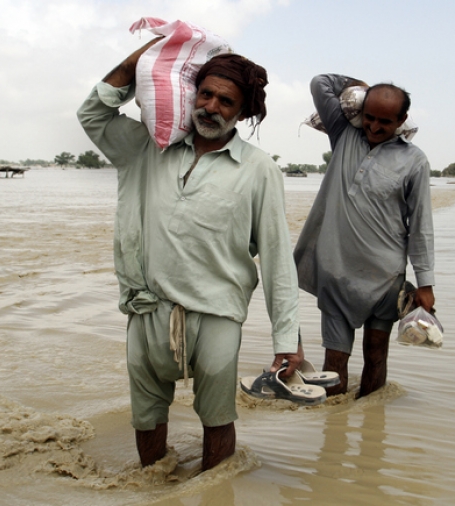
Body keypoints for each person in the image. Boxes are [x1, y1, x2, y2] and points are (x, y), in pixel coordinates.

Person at [77, 38, 302, 472]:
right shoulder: (148, 147)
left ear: (243, 111)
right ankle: (154, 486)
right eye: (205, 94)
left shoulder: (259, 169)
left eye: (225, 101)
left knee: (217, 418)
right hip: (147, 307)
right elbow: (92, 113)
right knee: (145, 417)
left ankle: (214, 487)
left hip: (216, 312)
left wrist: (285, 341)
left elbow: (276, 259)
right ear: (192, 94)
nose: (211, 107)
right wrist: (135, 62)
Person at [293, 74, 435, 398]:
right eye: (368, 116)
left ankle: (372, 428)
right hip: (336, 273)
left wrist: (425, 284)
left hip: (385, 280)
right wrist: (361, 85)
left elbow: (421, 227)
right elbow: (319, 84)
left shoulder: (414, 161)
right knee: (334, 362)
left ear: (401, 121)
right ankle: (335, 435)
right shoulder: (344, 135)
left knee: (375, 355)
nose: (373, 126)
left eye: (385, 121)